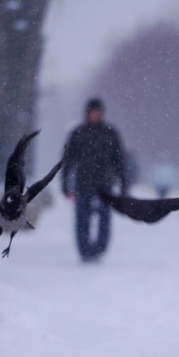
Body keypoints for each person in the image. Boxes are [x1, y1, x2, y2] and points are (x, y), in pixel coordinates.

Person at [61, 98, 128, 261]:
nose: (94, 115)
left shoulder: (110, 133)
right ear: (86, 113)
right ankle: (84, 251)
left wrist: (124, 183)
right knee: (82, 219)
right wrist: (65, 185)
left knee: (104, 219)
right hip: (83, 184)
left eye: (97, 112)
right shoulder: (78, 134)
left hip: (105, 185)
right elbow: (68, 161)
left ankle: (99, 250)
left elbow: (119, 160)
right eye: (92, 112)